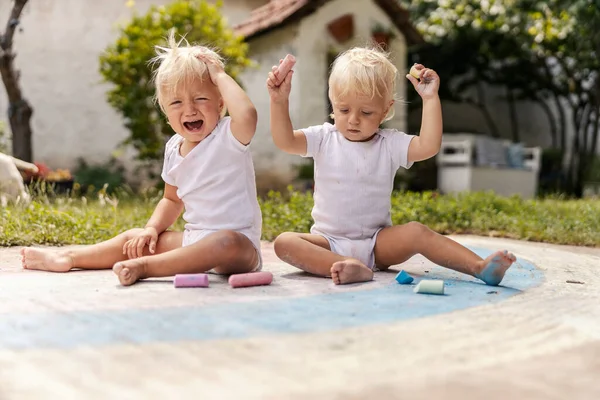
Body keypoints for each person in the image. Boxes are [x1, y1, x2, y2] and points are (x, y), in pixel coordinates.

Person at [21, 31, 263, 286]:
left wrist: (219, 75)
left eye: (201, 99)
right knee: (135, 239)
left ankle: (146, 267)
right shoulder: (173, 148)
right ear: (165, 111)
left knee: (225, 241)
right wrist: (151, 229)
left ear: (220, 104)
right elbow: (171, 200)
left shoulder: (229, 136)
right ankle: (68, 257)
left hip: (238, 248)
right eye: (177, 102)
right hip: (194, 240)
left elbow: (247, 114)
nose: (190, 109)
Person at [266, 47, 516, 285]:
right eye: (343, 109)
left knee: (417, 232)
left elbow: (428, 145)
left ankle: (479, 267)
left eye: (366, 112)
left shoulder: (389, 143)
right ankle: (348, 265)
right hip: (328, 243)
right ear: (332, 102)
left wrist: (430, 99)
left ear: (386, 110)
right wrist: (279, 101)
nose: (353, 120)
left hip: (378, 243)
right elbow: (285, 141)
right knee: (285, 242)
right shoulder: (323, 138)